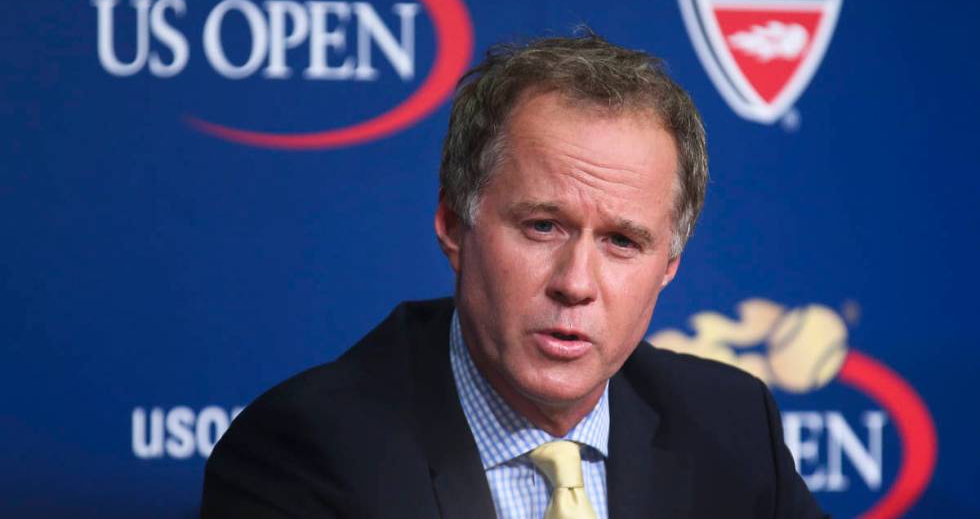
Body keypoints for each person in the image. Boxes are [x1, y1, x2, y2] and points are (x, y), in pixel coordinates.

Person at [201, 33, 827, 518]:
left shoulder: (732, 426)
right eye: (542, 226)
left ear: (668, 267)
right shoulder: (306, 452)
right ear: (454, 224)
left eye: (621, 241)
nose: (576, 282)